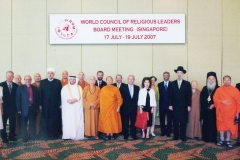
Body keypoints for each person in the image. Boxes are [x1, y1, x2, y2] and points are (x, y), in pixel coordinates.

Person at [213, 75, 240, 148]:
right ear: (223, 81)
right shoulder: (219, 90)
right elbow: (215, 99)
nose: (227, 81)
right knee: (222, 127)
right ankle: (221, 140)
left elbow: (238, 102)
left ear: (230, 81)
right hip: (222, 111)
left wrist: (237, 112)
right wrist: (222, 101)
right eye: (225, 80)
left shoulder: (235, 90)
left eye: (228, 80)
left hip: (231, 112)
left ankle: (228, 140)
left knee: (229, 127)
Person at [169, 66, 192, 142]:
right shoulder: (172, 83)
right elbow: (170, 95)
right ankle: (176, 136)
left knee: (183, 122)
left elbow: (189, 95)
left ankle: (182, 136)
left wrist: (189, 105)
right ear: (176, 74)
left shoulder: (187, 84)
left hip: (184, 106)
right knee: (175, 121)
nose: (179, 74)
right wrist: (170, 104)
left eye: (181, 73)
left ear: (183, 74)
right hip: (175, 106)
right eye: (178, 73)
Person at [39, 68, 62, 140]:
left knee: (55, 119)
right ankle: (45, 135)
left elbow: (60, 94)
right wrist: (40, 104)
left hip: (55, 105)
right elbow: (40, 94)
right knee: (45, 119)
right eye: (48, 73)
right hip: (45, 104)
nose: (50, 74)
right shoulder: (42, 82)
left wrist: (60, 103)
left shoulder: (57, 82)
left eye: (51, 73)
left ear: (53, 74)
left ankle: (55, 134)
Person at [98, 76, 123, 140]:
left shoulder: (115, 89)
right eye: (108, 80)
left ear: (112, 81)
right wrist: (102, 108)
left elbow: (119, 98)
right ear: (106, 81)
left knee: (112, 121)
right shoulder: (103, 89)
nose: (109, 81)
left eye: (110, 80)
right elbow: (101, 99)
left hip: (113, 107)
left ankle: (111, 134)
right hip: (105, 108)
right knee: (107, 121)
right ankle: (107, 134)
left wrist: (119, 107)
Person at [16, 75, 39, 142]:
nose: (28, 80)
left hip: (32, 108)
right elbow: (18, 99)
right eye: (26, 79)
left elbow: (37, 99)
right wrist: (19, 109)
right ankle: (24, 137)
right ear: (24, 80)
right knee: (23, 123)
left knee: (32, 123)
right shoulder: (20, 88)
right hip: (23, 109)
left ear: (31, 80)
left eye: (29, 79)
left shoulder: (35, 88)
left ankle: (32, 136)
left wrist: (36, 108)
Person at [61, 76, 84, 140]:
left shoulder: (79, 87)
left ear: (75, 80)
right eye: (71, 79)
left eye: (74, 79)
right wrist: (68, 100)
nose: (72, 80)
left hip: (76, 106)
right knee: (68, 120)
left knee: (77, 120)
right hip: (68, 107)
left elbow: (80, 96)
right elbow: (63, 96)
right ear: (69, 80)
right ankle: (68, 135)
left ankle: (77, 135)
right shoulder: (65, 88)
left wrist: (75, 100)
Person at [200, 72, 219, 143]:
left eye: (213, 79)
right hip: (206, 110)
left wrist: (214, 104)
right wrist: (206, 106)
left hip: (214, 110)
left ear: (215, 80)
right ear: (207, 80)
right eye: (209, 79)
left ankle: (213, 139)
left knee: (213, 125)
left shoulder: (218, 88)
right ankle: (205, 138)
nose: (211, 80)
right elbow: (201, 99)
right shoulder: (205, 88)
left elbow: (220, 99)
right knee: (206, 124)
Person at [0, 71, 18, 143]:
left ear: (13, 77)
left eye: (11, 76)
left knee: (12, 123)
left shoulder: (16, 86)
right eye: (8, 76)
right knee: (3, 123)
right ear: (6, 76)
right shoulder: (1, 85)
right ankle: (4, 137)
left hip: (13, 108)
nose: (10, 77)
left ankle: (11, 136)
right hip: (3, 108)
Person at [120, 75, 139, 140]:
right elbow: (120, 98)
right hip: (125, 108)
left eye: (132, 79)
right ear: (127, 80)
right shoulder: (123, 87)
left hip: (133, 108)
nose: (131, 80)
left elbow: (138, 98)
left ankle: (133, 134)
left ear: (134, 80)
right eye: (130, 79)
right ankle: (125, 135)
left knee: (133, 122)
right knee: (125, 122)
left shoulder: (137, 87)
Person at [158, 71, 173, 137]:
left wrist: (171, 104)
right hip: (162, 105)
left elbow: (173, 95)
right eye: (165, 75)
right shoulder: (159, 84)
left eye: (167, 75)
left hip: (170, 105)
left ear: (169, 76)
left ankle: (168, 132)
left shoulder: (172, 84)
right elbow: (158, 95)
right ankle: (163, 131)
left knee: (169, 119)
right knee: (162, 119)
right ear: (163, 76)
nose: (166, 76)